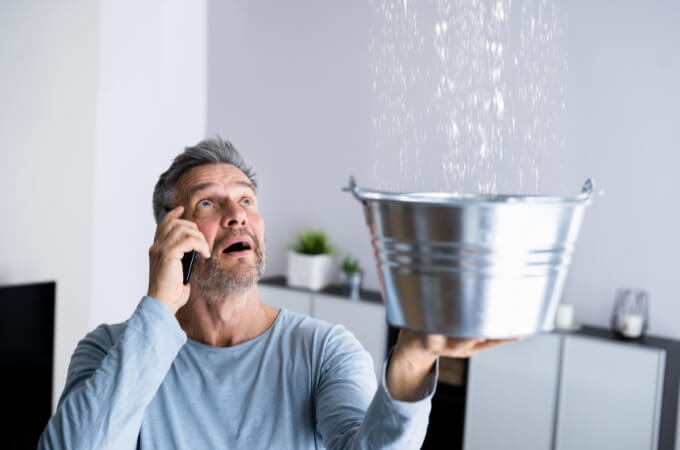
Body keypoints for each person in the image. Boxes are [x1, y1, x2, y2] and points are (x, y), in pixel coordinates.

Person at [39, 137, 513, 449]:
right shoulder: (108, 351)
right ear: (170, 234)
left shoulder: (324, 350)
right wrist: (160, 307)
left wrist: (410, 361)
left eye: (246, 200)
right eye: (208, 202)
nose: (237, 214)